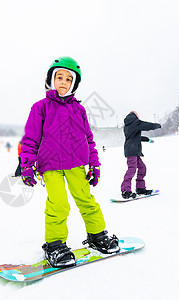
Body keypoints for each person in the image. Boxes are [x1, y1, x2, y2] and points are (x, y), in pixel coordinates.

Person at [20, 56, 119, 268]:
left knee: (86, 199)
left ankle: (97, 234)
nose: (63, 82)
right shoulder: (40, 108)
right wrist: (27, 165)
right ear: (51, 80)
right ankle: (55, 245)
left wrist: (95, 164)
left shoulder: (79, 110)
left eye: (68, 79)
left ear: (73, 84)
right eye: (59, 77)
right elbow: (30, 138)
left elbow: (88, 139)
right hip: (50, 165)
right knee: (59, 204)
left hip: (76, 164)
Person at [121, 111, 161, 199]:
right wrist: (157, 125)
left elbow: (135, 137)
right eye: (137, 115)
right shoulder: (135, 122)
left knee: (142, 168)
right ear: (134, 115)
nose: (138, 117)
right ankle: (125, 190)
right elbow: (147, 125)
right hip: (132, 151)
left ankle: (140, 188)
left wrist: (147, 139)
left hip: (133, 150)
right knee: (132, 169)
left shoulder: (128, 125)